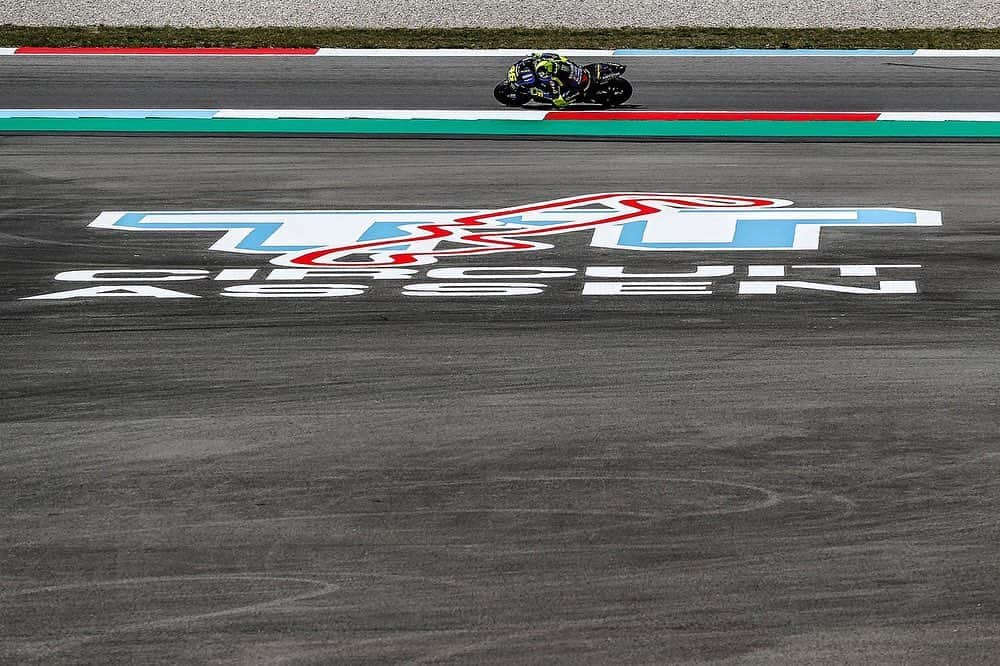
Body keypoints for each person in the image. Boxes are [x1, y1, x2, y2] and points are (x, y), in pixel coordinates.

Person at [511, 52, 587, 108]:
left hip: (578, 88)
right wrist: (538, 56)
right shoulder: (555, 61)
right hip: (581, 71)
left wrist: (539, 93)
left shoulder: (555, 80)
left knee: (557, 102)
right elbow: (555, 56)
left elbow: (554, 94)